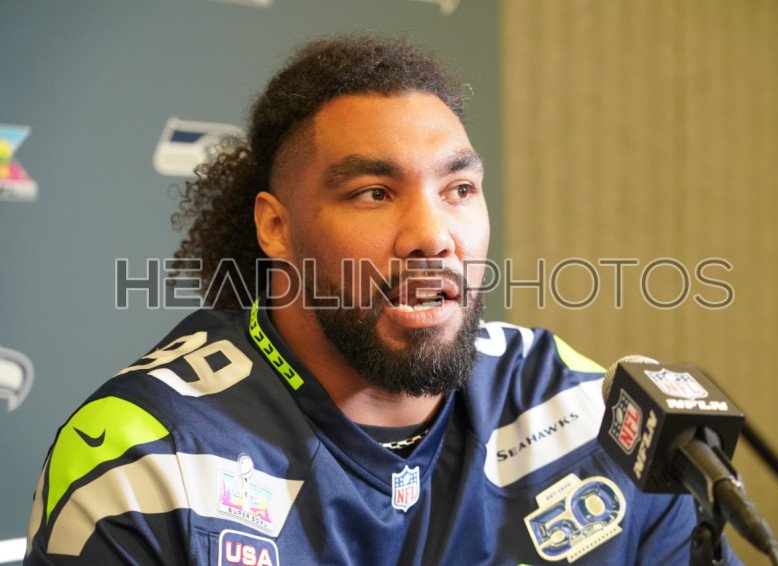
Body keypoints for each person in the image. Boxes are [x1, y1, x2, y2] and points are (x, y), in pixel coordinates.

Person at [25, 35, 739, 565]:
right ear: (276, 227)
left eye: (459, 189)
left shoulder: (586, 413)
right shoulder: (148, 458)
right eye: (374, 193)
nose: (434, 236)